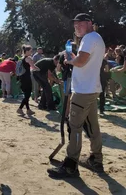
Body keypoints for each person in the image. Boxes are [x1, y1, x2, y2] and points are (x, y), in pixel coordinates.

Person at [48, 13, 106, 178]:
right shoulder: (97, 38)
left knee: (75, 127)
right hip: (91, 88)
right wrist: (74, 59)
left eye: (80, 24)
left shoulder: (89, 38)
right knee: (92, 126)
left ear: (89, 23)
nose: (76, 27)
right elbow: (83, 61)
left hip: (83, 91)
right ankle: (96, 159)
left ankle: (70, 165)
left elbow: (80, 62)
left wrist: (69, 61)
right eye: (75, 25)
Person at [17, 45, 38, 116]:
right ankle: (20, 108)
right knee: (27, 94)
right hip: (26, 78)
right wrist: (40, 69)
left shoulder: (23, 58)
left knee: (26, 94)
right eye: (31, 51)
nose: (32, 52)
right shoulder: (28, 58)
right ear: (27, 51)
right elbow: (33, 67)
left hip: (23, 78)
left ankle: (28, 110)